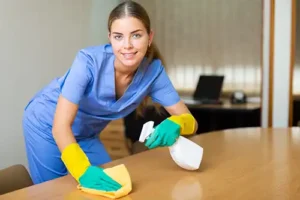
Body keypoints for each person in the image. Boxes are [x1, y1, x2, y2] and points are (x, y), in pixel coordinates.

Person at [22, 0, 198, 191]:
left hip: (86, 134)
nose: (127, 45)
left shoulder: (154, 73)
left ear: (149, 37)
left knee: (114, 186)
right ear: (110, 39)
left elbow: (192, 123)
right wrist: (82, 171)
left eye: (136, 35)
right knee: (54, 191)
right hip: (46, 126)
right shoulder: (88, 62)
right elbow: (60, 127)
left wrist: (179, 123)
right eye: (118, 37)